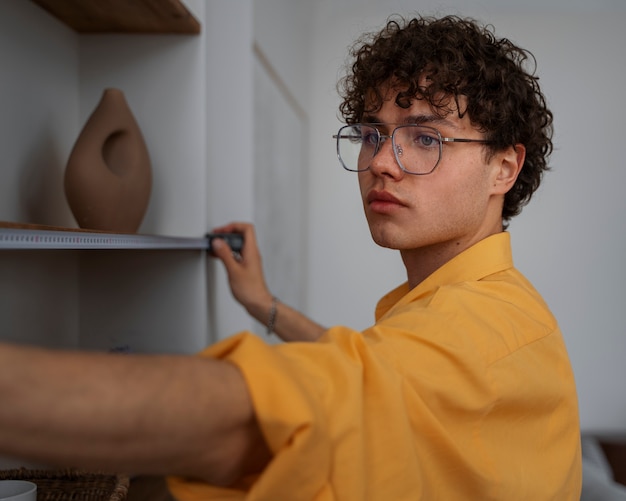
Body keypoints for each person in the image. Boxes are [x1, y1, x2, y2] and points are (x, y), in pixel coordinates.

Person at [0, 14, 581, 500]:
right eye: (373, 134)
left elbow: (251, 419)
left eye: (425, 138)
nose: (381, 161)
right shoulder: (488, 303)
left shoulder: (475, 335)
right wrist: (264, 304)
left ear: (504, 167)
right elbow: (368, 375)